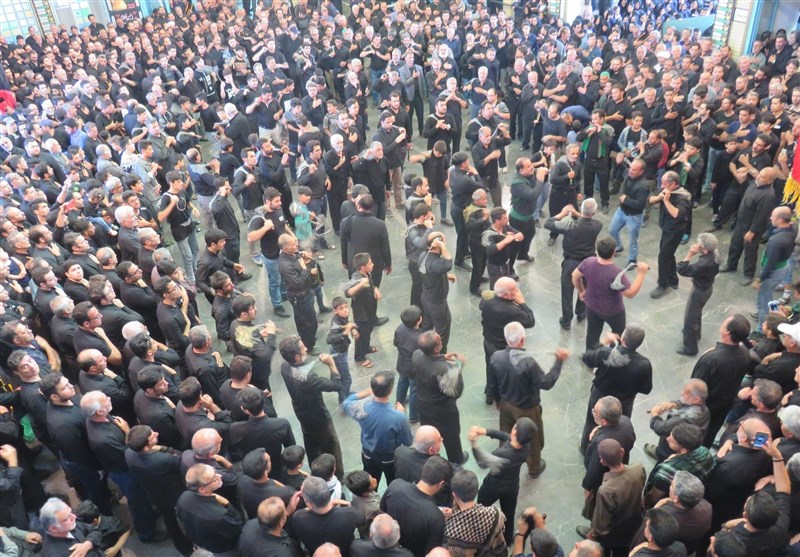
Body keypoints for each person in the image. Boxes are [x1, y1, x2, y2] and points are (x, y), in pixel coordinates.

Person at [487, 321, 567, 477]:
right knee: (532, 439)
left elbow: (492, 383)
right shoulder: (527, 362)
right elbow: (546, 383)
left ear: (505, 338)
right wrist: (559, 361)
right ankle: (534, 467)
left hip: (506, 404)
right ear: (522, 340)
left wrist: (498, 400)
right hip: (527, 409)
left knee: (505, 433)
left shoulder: (496, 357)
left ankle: (504, 460)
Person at [279, 334, 344, 478]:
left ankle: (315, 470)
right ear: (297, 357)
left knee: (311, 444)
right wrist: (331, 364)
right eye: (303, 348)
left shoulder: (285, 367)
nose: (306, 349)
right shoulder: (309, 378)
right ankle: (337, 475)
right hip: (319, 416)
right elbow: (337, 385)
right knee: (331, 445)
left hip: (302, 413)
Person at [579, 327, 652, 454]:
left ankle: (586, 448)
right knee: (617, 427)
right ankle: (611, 451)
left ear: (622, 339)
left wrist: (603, 343)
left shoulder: (606, 353)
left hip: (600, 396)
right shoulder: (644, 364)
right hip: (624, 402)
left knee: (592, 423)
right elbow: (646, 389)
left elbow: (587, 359)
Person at [572, 236, 650, 349]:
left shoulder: (589, 261)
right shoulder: (615, 273)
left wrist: (581, 291)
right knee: (618, 334)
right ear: (613, 252)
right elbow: (630, 293)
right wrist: (641, 273)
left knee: (592, 333)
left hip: (592, 306)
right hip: (613, 311)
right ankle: (613, 353)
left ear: (597, 250)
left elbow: (575, 276)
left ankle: (590, 355)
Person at [468, 418, 536, 544]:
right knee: (508, 515)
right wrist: (485, 431)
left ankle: (479, 535)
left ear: (515, 432)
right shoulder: (526, 446)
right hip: (512, 486)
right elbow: (507, 437)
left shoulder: (502, 454)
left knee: (481, 509)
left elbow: (482, 463)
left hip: (493, 487)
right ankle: (508, 540)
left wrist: (473, 443)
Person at [690, 314, 754, 446]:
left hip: (704, 406)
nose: (722, 322)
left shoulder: (710, 359)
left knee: (691, 435)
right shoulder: (744, 353)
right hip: (725, 404)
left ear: (727, 331)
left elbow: (695, 387)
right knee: (711, 432)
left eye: (724, 322)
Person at [577, 438, 646, 557]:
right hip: (634, 523)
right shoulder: (638, 468)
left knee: (607, 549)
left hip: (614, 533)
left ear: (603, 461)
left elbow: (602, 523)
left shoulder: (606, 490)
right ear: (622, 451)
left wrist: (592, 535)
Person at [343, 371, 413, 488]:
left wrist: (367, 392)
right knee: (393, 484)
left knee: (369, 485)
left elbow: (346, 402)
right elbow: (408, 441)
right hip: (390, 458)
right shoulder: (398, 417)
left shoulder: (361, 409)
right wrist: (402, 413)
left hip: (368, 455)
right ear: (390, 390)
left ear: (373, 388)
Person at [544, 199, 603, 330]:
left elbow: (548, 223)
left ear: (581, 209)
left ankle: (566, 320)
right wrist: (578, 213)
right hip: (588, 263)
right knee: (585, 289)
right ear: (594, 212)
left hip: (571, 263)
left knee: (567, 291)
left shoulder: (570, 225)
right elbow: (587, 218)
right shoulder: (597, 225)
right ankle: (581, 313)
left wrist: (563, 213)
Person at [413, 331, 467, 465]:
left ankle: (429, 458)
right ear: (436, 348)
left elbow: (430, 362)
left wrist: (442, 357)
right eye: (440, 342)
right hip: (443, 411)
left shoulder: (417, 355)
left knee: (429, 435)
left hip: (423, 405)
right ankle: (456, 460)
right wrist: (459, 365)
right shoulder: (444, 369)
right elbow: (456, 391)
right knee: (451, 436)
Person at [380, 456, 451, 557]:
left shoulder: (395, 486)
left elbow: (382, 510)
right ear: (441, 483)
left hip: (388, 546)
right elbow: (431, 551)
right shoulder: (436, 517)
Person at [175, 463, 245, 554]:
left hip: (202, 542)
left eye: (215, 471)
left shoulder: (183, 497)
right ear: (202, 489)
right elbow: (239, 527)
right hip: (226, 549)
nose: (219, 476)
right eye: (214, 478)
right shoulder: (219, 516)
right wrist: (227, 503)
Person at [290, 476, 366, 556]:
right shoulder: (350, 514)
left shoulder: (298, 518)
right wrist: (333, 503)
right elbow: (362, 519)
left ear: (309, 504)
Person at [649, 171, 693, 299]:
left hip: (675, 231)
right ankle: (673, 279)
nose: (661, 186)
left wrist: (666, 201)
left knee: (663, 257)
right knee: (668, 254)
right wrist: (659, 197)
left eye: (664, 184)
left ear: (673, 184)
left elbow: (678, 215)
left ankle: (663, 284)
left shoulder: (682, 198)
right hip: (666, 228)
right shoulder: (667, 191)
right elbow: (651, 200)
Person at [442, 469, 507, 555]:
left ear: (454, 495)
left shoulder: (448, 528)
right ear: (477, 491)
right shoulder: (495, 514)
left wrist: (450, 515)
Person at [676, 233, 721, 355]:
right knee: (697, 312)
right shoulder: (715, 253)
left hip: (699, 291)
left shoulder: (704, 263)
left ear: (703, 248)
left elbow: (682, 270)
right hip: (707, 287)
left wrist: (690, 254)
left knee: (690, 319)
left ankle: (690, 348)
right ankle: (696, 334)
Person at [340, 194, 392, 290]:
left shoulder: (346, 222)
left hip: (355, 264)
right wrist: (388, 264)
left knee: (356, 290)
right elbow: (385, 247)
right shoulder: (380, 224)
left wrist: (345, 261)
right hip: (374, 265)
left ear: (358, 206)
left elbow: (343, 244)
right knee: (374, 290)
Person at [278, 234, 319, 352]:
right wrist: (305, 269)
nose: (297, 245)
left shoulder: (293, 254)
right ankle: (309, 345)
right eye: (293, 244)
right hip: (300, 296)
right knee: (309, 322)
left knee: (302, 319)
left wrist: (305, 259)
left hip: (306, 293)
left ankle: (306, 339)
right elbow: (298, 283)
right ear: (285, 248)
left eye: (295, 241)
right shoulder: (285, 265)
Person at [608, 158, 649, 266]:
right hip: (621, 211)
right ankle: (618, 246)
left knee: (632, 240)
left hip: (634, 216)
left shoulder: (643, 186)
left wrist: (626, 200)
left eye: (634, 170)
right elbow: (624, 169)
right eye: (631, 167)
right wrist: (619, 161)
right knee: (612, 230)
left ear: (641, 172)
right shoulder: (629, 173)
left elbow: (641, 205)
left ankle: (632, 259)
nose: (630, 171)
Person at [419, 231, 455, 351]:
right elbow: (448, 263)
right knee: (442, 330)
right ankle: (440, 353)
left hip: (426, 297)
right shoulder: (436, 263)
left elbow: (430, 272)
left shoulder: (423, 256)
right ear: (437, 244)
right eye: (444, 242)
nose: (445, 244)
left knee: (427, 326)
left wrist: (445, 276)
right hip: (437, 303)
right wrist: (442, 246)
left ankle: (425, 348)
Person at [238, 496, 305, 557]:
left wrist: (286, 513)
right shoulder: (283, 553)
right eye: (284, 508)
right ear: (282, 522)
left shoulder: (249, 526)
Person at [40, 498, 105, 557]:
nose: (74, 517)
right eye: (66, 518)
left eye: (71, 513)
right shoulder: (54, 553)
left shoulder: (68, 526)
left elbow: (94, 530)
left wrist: (88, 544)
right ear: (54, 528)